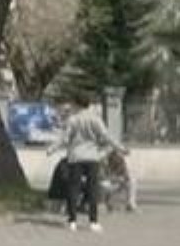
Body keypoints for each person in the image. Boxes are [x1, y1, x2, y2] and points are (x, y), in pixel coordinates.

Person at [49, 95, 126, 232]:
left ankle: (72, 221)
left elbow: (65, 139)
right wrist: (120, 147)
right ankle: (93, 221)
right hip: (92, 157)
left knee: (73, 188)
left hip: (75, 157)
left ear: (76, 104)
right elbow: (106, 136)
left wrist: (52, 148)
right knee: (92, 189)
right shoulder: (95, 119)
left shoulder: (73, 119)